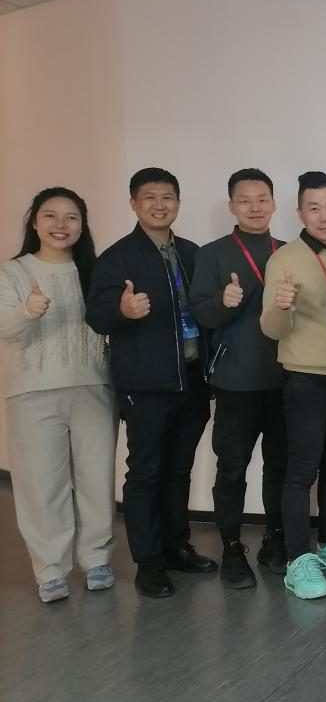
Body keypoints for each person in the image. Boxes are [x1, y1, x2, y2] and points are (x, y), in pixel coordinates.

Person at [86, 167, 216, 598]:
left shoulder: (193, 253)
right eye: (150, 197)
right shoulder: (118, 257)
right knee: (145, 472)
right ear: (134, 204)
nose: (160, 205)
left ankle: (177, 547)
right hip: (145, 384)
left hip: (192, 380)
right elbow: (96, 315)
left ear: (178, 202)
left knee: (178, 470)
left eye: (168, 197)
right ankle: (149, 562)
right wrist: (122, 311)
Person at [0, 188, 116, 603]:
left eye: (71, 217)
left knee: (96, 480)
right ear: (34, 222)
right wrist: (26, 311)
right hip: (32, 392)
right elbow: (6, 330)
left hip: (94, 387)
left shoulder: (95, 272)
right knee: (41, 484)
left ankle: (97, 559)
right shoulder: (13, 272)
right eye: (50, 216)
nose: (60, 225)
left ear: (82, 226)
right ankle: (50, 570)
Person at [260, 171, 326, 600]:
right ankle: (297, 558)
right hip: (305, 377)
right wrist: (281, 306)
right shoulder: (284, 259)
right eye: (314, 208)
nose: (325, 216)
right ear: (301, 213)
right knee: (301, 471)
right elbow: (271, 329)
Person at [189, 168, 287, 588]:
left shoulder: (289, 252)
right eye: (245, 200)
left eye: (262, 199)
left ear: (274, 204)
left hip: (285, 379)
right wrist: (223, 301)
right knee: (232, 469)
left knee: (281, 468)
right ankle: (231, 547)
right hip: (235, 382)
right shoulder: (212, 254)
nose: (254, 207)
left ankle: (275, 539)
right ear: (232, 206)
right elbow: (201, 314)